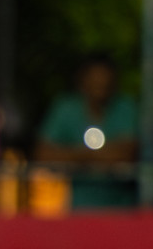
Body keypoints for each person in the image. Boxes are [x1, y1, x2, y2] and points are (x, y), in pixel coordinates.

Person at [35, 53, 139, 210]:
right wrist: (95, 155)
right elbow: (43, 154)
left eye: (104, 84)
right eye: (94, 82)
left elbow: (126, 154)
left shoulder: (127, 108)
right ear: (82, 82)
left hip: (122, 211)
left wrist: (74, 157)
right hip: (79, 209)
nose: (99, 88)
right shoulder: (66, 108)